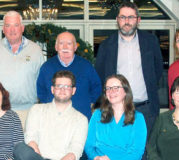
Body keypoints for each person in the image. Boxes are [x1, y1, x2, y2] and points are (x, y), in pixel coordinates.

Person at [94, 1, 163, 138]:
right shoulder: (106, 45)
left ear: (138, 20)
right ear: (117, 20)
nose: (127, 21)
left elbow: (158, 70)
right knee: (119, 149)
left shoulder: (151, 41)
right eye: (123, 17)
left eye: (131, 17)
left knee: (145, 151)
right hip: (117, 109)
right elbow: (101, 75)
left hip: (146, 109)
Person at [0, 11, 45, 128]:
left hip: (28, 112)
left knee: (26, 146)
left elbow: (43, 82)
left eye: (16, 25)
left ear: (22, 28)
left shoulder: (36, 50)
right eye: (8, 26)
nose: (12, 30)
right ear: (3, 29)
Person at [14, 70, 88, 160]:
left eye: (67, 86)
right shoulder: (36, 110)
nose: (62, 89)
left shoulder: (81, 119)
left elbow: (75, 150)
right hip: (37, 157)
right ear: (52, 89)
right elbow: (31, 138)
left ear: (73, 90)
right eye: (59, 86)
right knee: (19, 148)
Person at [37, 31, 102, 119]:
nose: (65, 47)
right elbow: (41, 92)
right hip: (53, 119)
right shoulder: (46, 67)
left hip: (81, 118)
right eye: (61, 43)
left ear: (75, 47)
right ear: (56, 47)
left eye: (69, 43)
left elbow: (97, 88)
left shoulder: (86, 66)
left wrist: (85, 102)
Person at [84, 74, 147, 160]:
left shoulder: (138, 118)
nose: (111, 91)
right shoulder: (97, 115)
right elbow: (89, 145)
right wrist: (96, 157)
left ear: (126, 91)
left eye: (116, 88)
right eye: (108, 88)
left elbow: (137, 152)